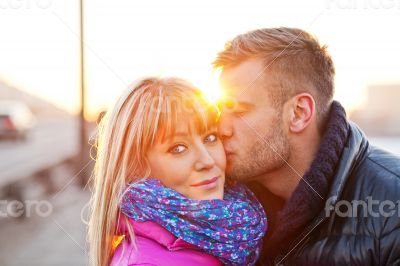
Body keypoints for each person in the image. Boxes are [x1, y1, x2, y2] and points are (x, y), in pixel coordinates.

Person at [213, 27, 400, 265]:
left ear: (298, 113)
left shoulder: (392, 210)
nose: (221, 128)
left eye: (239, 111)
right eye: (220, 110)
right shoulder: (217, 203)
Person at [87, 77, 267, 266]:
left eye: (210, 137)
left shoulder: (234, 229)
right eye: (178, 148)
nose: (207, 160)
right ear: (135, 169)